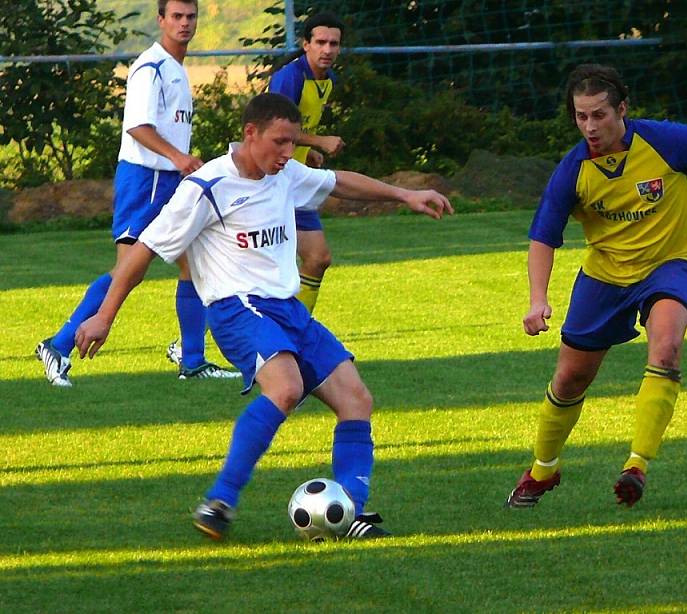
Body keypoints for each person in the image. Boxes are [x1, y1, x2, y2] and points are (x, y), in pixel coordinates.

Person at [74, 93, 454, 539]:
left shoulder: (285, 173)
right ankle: (220, 500)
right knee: (287, 387)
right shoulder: (206, 187)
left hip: (287, 309)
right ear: (250, 133)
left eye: (293, 143)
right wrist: (104, 316)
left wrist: (404, 194)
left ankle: (349, 511)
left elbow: (336, 182)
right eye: (280, 142)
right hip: (237, 308)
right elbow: (143, 251)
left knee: (356, 399)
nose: (288, 153)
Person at [506, 64, 687, 509]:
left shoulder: (668, 141)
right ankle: (543, 469)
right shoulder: (573, 171)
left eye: (599, 115)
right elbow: (543, 237)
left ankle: (637, 465)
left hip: (672, 264)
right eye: (581, 117)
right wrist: (538, 299)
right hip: (606, 276)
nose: (590, 127)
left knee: (666, 347)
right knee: (571, 377)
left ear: (622, 110)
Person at [35, 0, 237, 387]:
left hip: (169, 180)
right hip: (147, 180)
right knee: (127, 270)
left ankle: (192, 360)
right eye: (176, 16)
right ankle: (57, 346)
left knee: (194, 264)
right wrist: (178, 157)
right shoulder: (152, 67)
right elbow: (138, 127)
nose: (184, 24)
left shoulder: (176, 68)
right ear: (161, 20)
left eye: (190, 17)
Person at [267, 12, 346, 314]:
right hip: (268, 178)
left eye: (334, 44)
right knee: (257, 273)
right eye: (321, 42)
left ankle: (298, 329)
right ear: (306, 44)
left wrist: (306, 151)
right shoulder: (290, 77)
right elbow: (273, 129)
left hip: (292, 178)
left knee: (318, 258)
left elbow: (296, 129)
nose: (327, 50)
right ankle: (190, 341)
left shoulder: (326, 80)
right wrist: (318, 141)